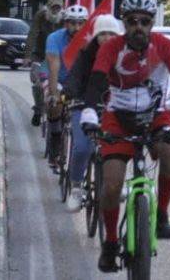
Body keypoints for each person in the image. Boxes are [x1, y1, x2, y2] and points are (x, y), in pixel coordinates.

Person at [80, 0, 170, 273]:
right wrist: (89, 113)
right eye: (132, 22)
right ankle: (110, 244)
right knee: (111, 184)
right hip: (117, 118)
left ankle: (162, 214)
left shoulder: (165, 46)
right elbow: (96, 83)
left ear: (151, 23)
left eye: (144, 22)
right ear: (124, 24)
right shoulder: (111, 48)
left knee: (169, 153)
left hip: (154, 113)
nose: (138, 28)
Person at [60, 13, 123, 211]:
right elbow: (75, 76)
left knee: (120, 147)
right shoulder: (86, 55)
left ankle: (115, 183)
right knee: (82, 148)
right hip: (84, 105)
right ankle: (77, 187)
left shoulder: (124, 56)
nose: (106, 38)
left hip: (113, 108)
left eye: (111, 34)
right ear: (95, 37)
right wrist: (69, 91)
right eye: (102, 34)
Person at [43, 4, 90, 169]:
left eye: (80, 23)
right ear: (65, 23)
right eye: (72, 23)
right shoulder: (54, 38)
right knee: (53, 102)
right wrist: (54, 94)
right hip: (61, 79)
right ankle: (55, 137)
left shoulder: (91, 40)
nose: (76, 27)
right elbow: (54, 66)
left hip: (81, 83)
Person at [27, 0, 65, 126]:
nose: (55, 11)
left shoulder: (65, 19)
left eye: (58, 8)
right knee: (38, 84)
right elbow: (33, 34)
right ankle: (38, 110)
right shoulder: (41, 16)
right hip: (40, 55)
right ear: (48, 7)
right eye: (53, 8)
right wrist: (27, 56)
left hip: (57, 58)